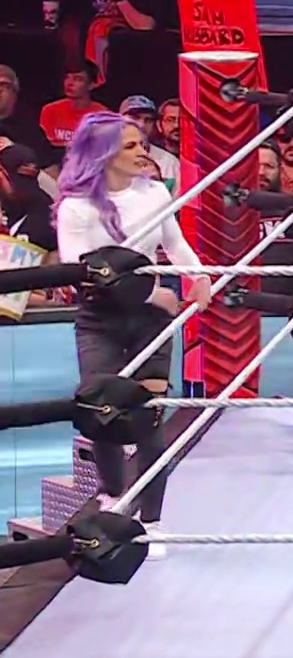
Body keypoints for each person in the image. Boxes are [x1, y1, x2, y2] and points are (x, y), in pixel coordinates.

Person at [55, 112, 212, 525]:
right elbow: (81, 272)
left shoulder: (154, 193)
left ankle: (151, 522)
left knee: (149, 414)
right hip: (101, 318)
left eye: (142, 143)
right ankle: (112, 496)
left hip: (149, 319)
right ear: (104, 154)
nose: (143, 151)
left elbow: (174, 243)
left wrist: (199, 276)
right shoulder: (76, 207)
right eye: (131, 146)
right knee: (101, 408)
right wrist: (151, 292)